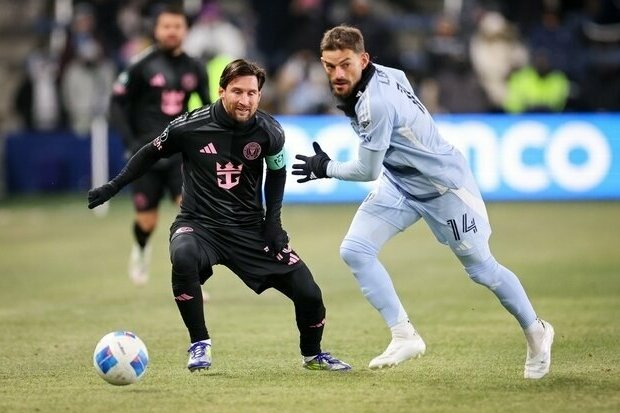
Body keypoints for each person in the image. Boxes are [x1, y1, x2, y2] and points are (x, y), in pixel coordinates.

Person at [292, 25, 554, 379]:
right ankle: (404, 335)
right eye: (329, 66)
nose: (337, 74)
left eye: (345, 65)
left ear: (363, 60)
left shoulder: (375, 104)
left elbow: (367, 169)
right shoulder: (388, 74)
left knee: (481, 269)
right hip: (402, 183)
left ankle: (537, 331)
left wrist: (326, 167)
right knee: (355, 250)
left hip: (445, 189)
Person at [88, 58, 351, 372]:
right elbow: (149, 153)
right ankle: (199, 343)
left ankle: (313, 355)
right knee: (183, 256)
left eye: (252, 93)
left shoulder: (269, 130)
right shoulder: (189, 126)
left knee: (309, 292)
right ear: (222, 90)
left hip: (250, 229)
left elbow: (277, 173)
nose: (245, 100)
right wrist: (113, 186)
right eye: (237, 91)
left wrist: (273, 224)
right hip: (199, 225)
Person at [108, 5, 210, 286]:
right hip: (147, 155)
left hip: (179, 153)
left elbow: (207, 107)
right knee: (147, 222)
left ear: (185, 30)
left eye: (177, 27)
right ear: (156, 29)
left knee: (191, 214)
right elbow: (117, 103)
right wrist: (130, 142)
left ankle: (195, 277)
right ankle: (141, 249)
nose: (172, 32)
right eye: (166, 27)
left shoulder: (195, 67)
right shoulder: (141, 65)